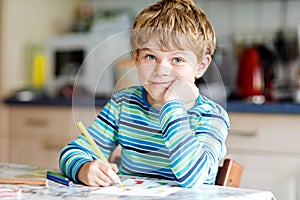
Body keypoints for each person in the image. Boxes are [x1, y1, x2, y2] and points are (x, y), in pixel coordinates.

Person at [59, 0, 230, 188]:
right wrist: (84, 168)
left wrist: (172, 106)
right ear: (137, 59)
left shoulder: (212, 116)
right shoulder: (123, 103)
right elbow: (74, 151)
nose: (161, 70)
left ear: (201, 66)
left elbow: (194, 178)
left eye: (177, 59)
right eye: (151, 57)